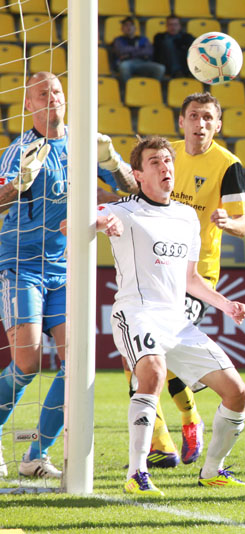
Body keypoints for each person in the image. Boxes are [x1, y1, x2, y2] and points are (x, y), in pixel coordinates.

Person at [0, 72, 136, 478]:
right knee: (27, 363)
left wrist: (113, 163)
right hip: (21, 266)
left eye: (57, 91)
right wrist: (16, 186)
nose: (52, 97)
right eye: (42, 93)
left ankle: (35, 455)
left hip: (64, 269)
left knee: (76, 364)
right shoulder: (19, 151)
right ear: (28, 104)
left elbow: (130, 191)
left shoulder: (84, 145)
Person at [101, 136, 245, 496]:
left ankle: (212, 471)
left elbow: (191, 279)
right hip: (136, 312)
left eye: (168, 160)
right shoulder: (123, 210)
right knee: (152, 371)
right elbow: (75, 223)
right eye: (154, 162)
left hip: (176, 320)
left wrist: (226, 304)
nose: (165, 166)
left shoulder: (186, 217)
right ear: (138, 175)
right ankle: (137, 473)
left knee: (238, 393)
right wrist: (101, 223)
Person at [131, 91, 245, 469]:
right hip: (155, 269)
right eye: (194, 116)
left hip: (195, 275)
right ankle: (167, 437)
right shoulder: (166, 156)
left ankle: (182, 423)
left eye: (208, 118)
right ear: (181, 122)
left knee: (157, 350)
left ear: (218, 125)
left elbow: (244, 224)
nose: (200, 123)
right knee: (138, 357)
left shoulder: (227, 165)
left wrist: (228, 221)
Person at [112, 16, 166, 82]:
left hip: (143, 62)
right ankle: (129, 87)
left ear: (135, 28)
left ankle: (151, 86)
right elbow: (122, 51)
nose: (129, 27)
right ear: (122, 28)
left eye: (131, 25)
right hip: (127, 62)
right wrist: (140, 49)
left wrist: (130, 54)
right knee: (124, 66)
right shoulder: (118, 40)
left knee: (160, 68)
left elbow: (149, 51)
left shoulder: (143, 39)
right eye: (126, 25)